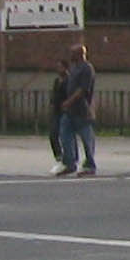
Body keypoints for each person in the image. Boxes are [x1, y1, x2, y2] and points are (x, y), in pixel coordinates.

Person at [56, 44, 97, 176]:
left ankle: (90, 165)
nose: (70, 56)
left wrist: (69, 101)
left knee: (86, 138)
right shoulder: (74, 68)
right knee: (65, 134)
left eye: (73, 53)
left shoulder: (87, 68)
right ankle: (70, 163)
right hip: (70, 111)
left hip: (82, 110)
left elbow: (83, 89)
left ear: (80, 54)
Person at [46, 56, 71, 174]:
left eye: (60, 67)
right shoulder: (57, 81)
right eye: (58, 67)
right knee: (53, 134)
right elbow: (54, 94)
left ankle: (68, 159)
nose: (58, 69)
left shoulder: (69, 80)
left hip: (65, 111)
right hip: (56, 111)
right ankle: (59, 157)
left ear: (65, 68)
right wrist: (51, 104)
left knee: (65, 136)